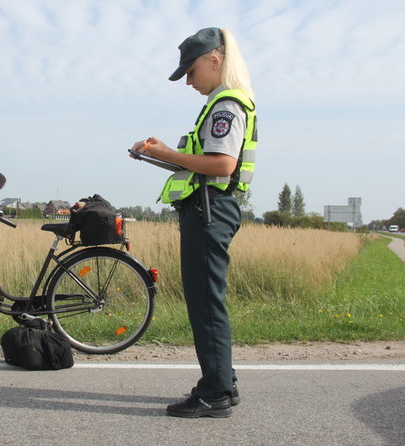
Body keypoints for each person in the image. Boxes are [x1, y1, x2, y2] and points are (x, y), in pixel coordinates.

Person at [131, 27, 257, 417]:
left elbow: (222, 164)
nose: (188, 80)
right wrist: (157, 154)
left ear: (215, 60)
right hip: (209, 207)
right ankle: (224, 382)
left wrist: (168, 151)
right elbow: (204, 165)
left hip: (209, 211)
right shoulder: (220, 103)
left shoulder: (226, 105)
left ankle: (215, 392)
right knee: (207, 300)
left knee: (206, 303)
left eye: (191, 70)